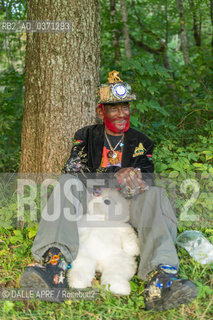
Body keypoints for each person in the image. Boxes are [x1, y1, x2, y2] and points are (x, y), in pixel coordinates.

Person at [21, 71, 198, 311]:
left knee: (155, 194)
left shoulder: (142, 142)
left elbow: (147, 175)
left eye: (125, 107)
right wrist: (111, 177)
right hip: (89, 201)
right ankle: (55, 268)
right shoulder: (85, 136)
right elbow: (75, 170)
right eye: (113, 108)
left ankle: (161, 279)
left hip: (124, 205)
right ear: (101, 111)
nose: (121, 114)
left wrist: (138, 181)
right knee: (67, 183)